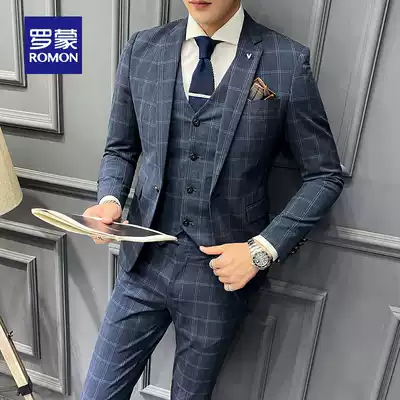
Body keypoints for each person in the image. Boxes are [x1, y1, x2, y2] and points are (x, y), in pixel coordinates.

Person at [80, 0, 344, 399]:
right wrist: (110, 200)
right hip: (142, 265)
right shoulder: (142, 49)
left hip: (219, 278)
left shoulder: (286, 61)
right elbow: (120, 148)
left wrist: (261, 251)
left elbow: (324, 176)